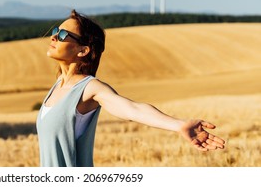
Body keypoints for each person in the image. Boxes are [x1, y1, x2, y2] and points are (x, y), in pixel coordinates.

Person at [36, 10, 225, 167]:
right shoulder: (58, 85)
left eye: (62, 35)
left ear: (83, 50)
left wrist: (179, 125)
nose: (53, 36)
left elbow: (132, 109)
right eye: (55, 30)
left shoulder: (89, 88)